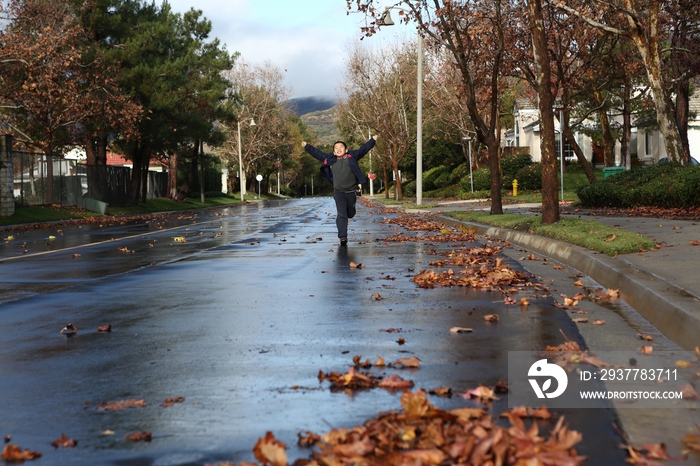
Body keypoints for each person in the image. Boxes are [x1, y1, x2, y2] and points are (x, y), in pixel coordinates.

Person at [301, 135, 378, 246]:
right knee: (342, 214)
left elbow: (363, 149)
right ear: (333, 151)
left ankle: (351, 210)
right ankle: (343, 236)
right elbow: (317, 153)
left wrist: (372, 140)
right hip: (339, 192)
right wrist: (307, 146)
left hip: (351, 192)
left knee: (350, 213)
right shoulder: (330, 159)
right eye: (336, 148)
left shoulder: (352, 156)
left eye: (341, 147)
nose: (338, 149)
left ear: (346, 150)